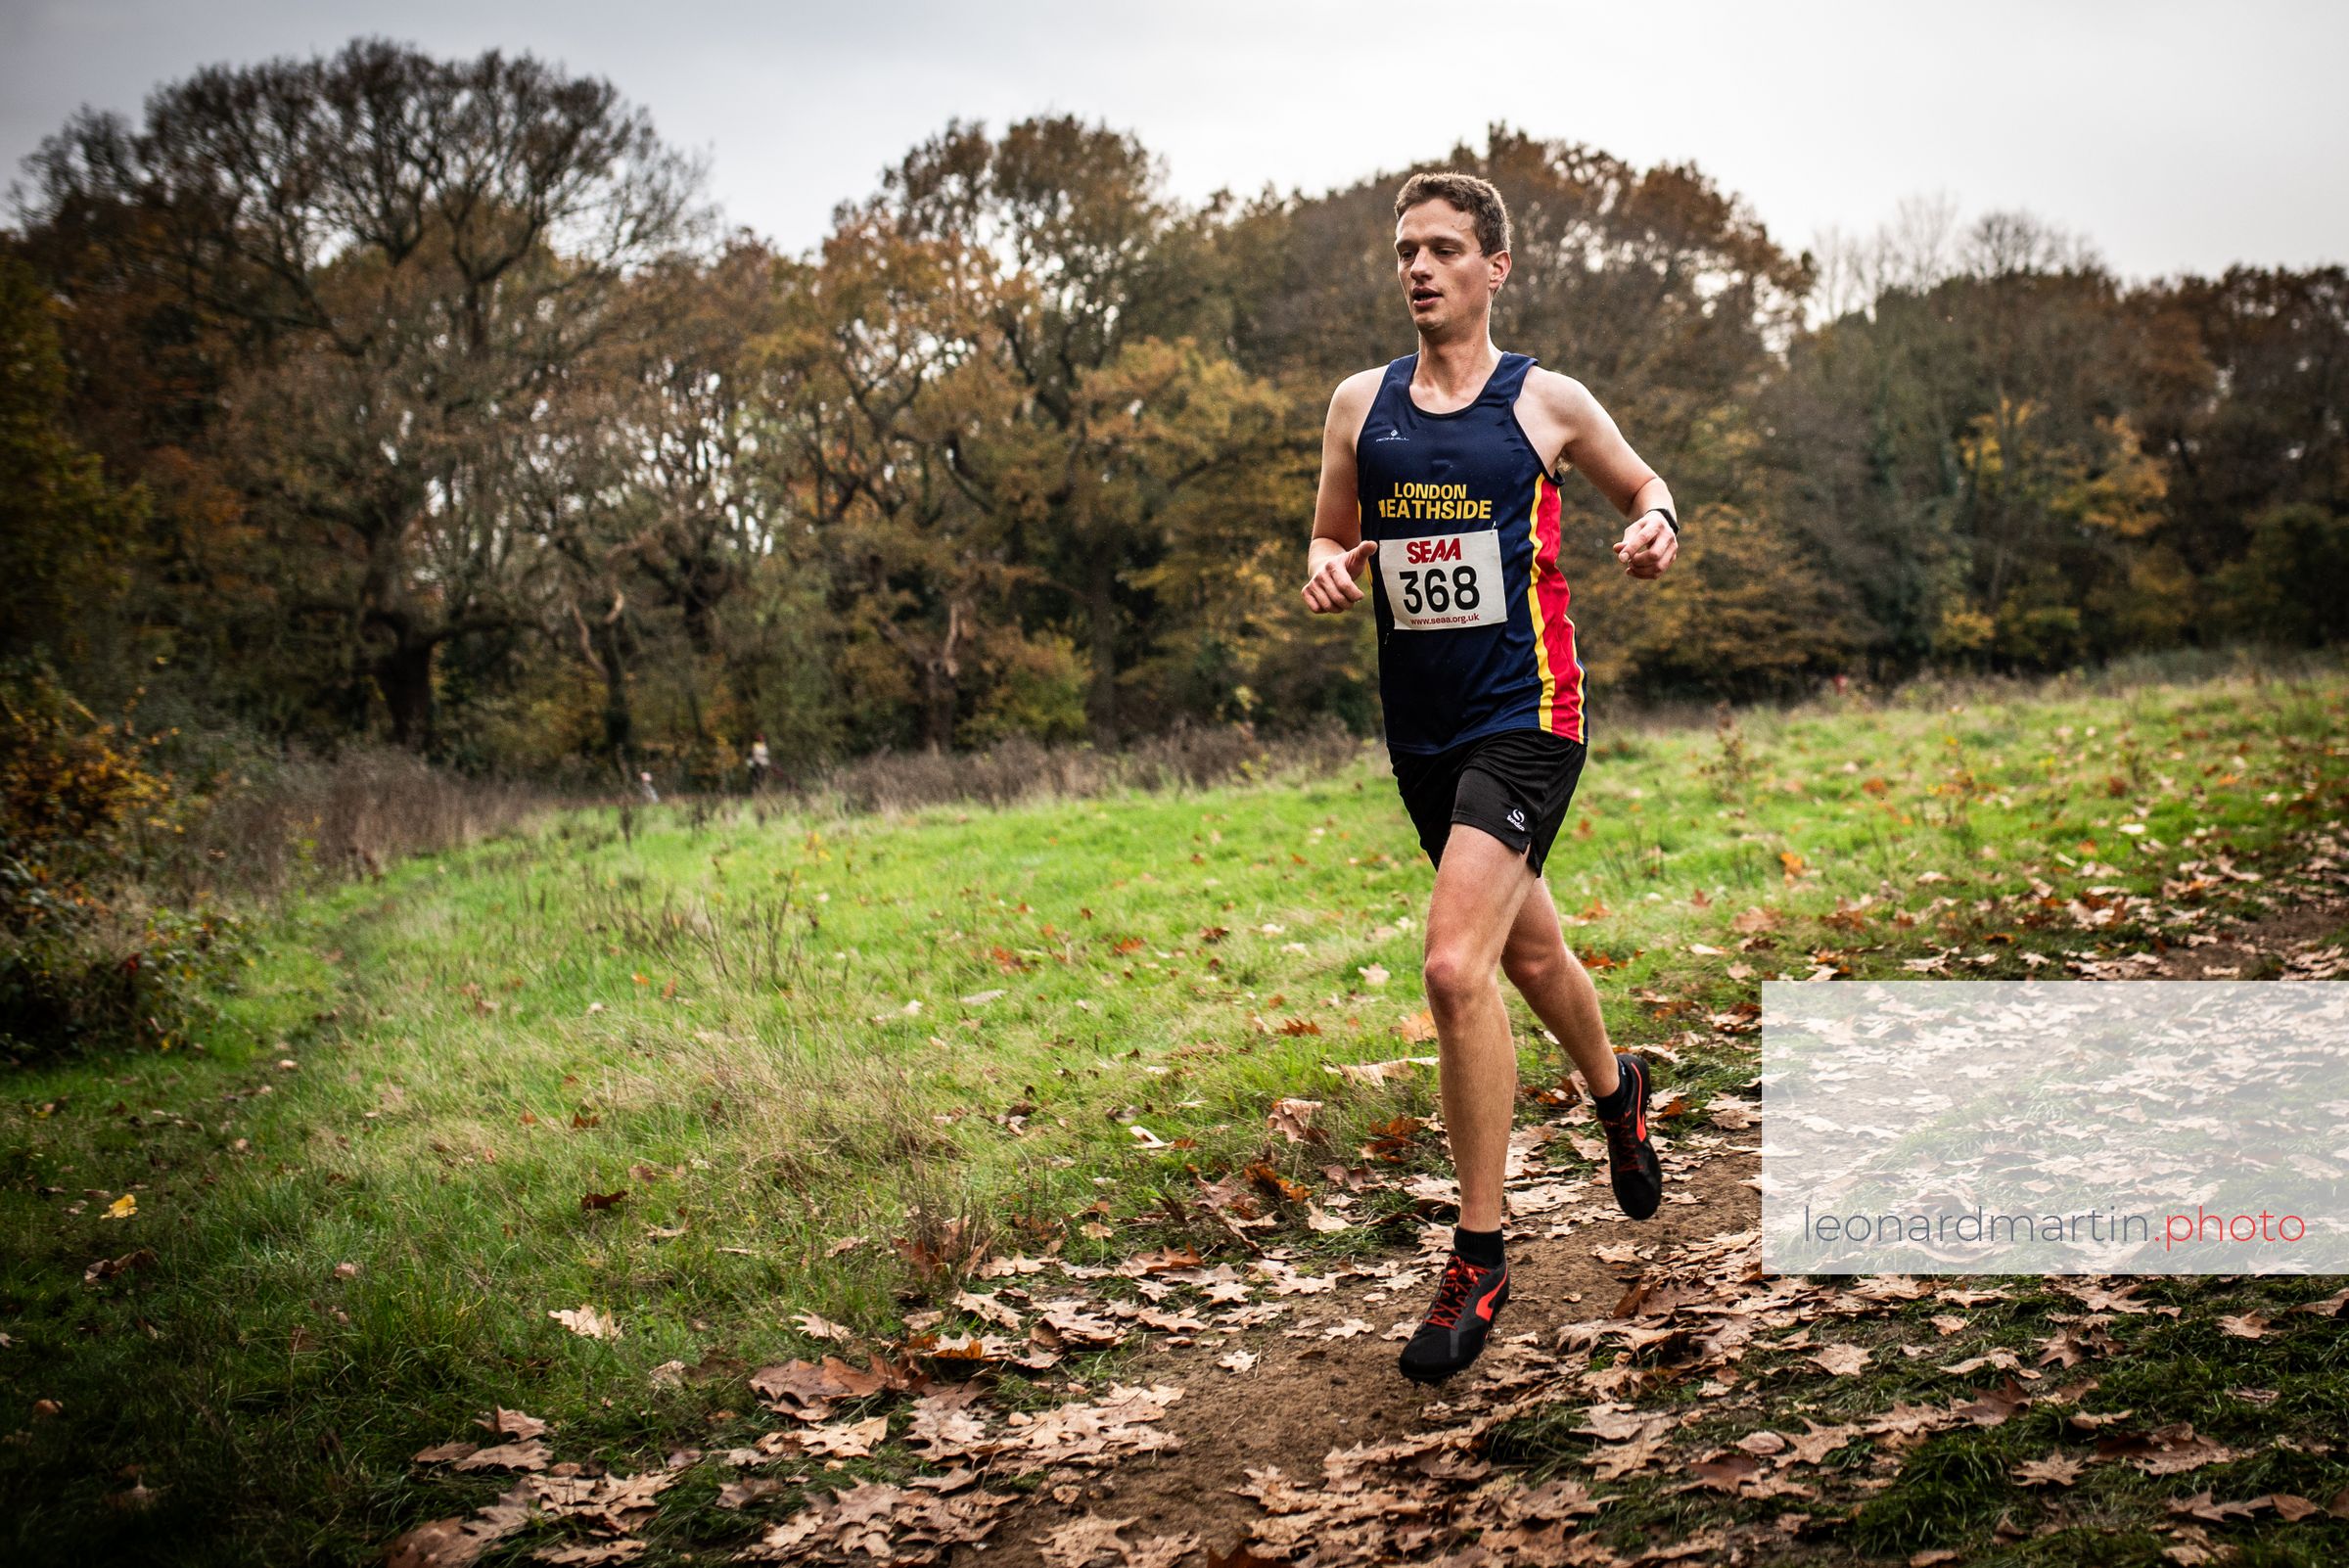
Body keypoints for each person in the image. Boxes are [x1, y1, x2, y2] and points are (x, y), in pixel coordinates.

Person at [1300, 171, 1680, 1385]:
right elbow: (1328, 531)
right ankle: (1619, 1093)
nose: (1419, 268)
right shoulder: (1361, 405)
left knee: (1453, 968)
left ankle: (1479, 1257)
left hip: (1530, 715)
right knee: (1529, 955)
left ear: (1495, 266)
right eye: (1406, 250)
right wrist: (1326, 565)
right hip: (1422, 736)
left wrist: (1657, 527)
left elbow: (1647, 488)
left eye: (1444, 249)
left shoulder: (1545, 402)